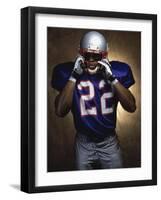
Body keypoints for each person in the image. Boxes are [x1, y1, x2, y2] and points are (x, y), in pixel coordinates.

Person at [52, 31, 136, 170]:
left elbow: (131, 107)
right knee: (84, 186)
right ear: (80, 52)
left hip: (109, 142)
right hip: (83, 142)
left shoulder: (118, 71)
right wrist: (73, 77)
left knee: (115, 186)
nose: (91, 61)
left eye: (96, 56)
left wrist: (112, 79)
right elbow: (60, 111)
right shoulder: (67, 72)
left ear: (105, 54)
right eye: (87, 55)